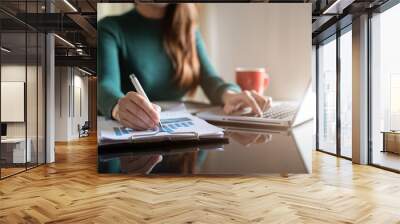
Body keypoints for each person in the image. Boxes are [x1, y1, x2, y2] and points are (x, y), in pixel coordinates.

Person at [98, 3, 271, 130]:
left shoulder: (188, 28)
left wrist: (230, 95)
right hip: (133, 140)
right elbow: (105, 84)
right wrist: (118, 107)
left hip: (183, 137)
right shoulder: (110, 28)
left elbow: (210, 80)